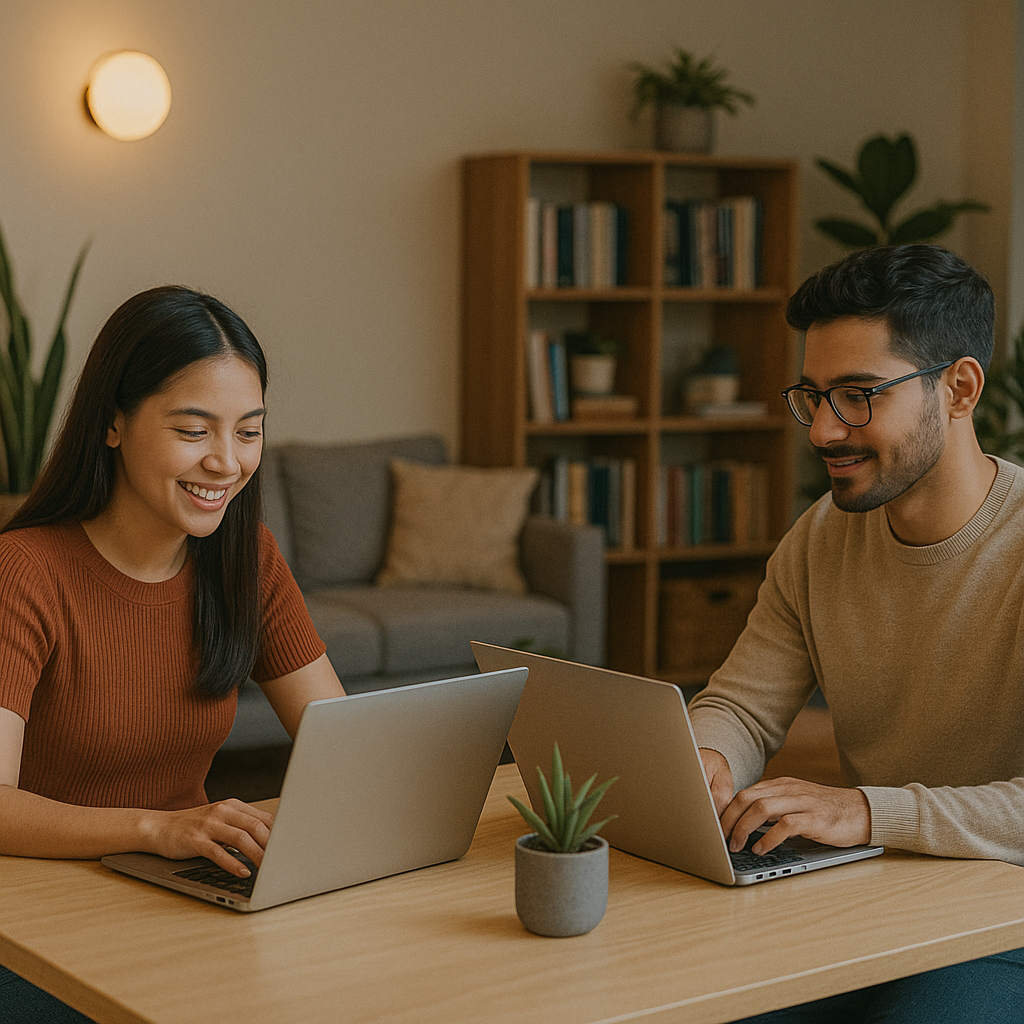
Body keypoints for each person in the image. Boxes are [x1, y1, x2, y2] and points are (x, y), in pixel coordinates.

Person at [687, 244, 1024, 1023]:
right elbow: (740, 706)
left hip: (1004, 908)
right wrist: (706, 760)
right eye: (812, 396)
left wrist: (867, 812)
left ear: (960, 389)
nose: (823, 431)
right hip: (877, 892)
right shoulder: (822, 538)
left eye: (859, 395)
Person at [0, 286, 347, 1023]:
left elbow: (349, 745)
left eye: (248, 432)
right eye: (194, 431)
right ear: (114, 423)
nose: (226, 462)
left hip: (184, 895)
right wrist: (159, 827)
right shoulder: (24, 571)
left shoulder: (246, 559)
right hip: (35, 920)